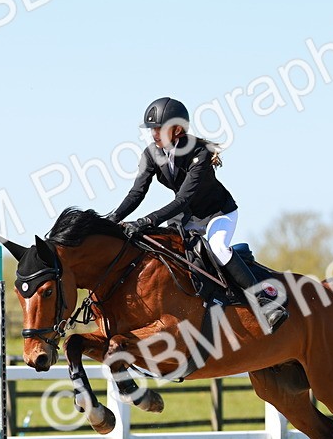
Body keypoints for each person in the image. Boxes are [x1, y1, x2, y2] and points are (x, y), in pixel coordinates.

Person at [105, 97, 288, 331]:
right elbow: (136, 192)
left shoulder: (198, 153)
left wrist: (147, 221)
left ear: (178, 129)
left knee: (218, 249)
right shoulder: (152, 154)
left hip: (217, 214)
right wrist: (112, 220)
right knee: (165, 251)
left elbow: (183, 199)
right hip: (186, 217)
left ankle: (264, 302)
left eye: (159, 128)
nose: (154, 134)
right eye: (152, 129)